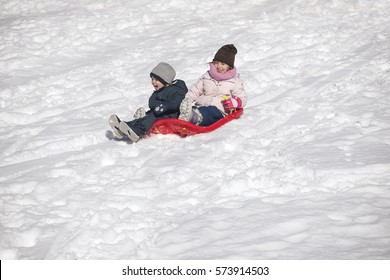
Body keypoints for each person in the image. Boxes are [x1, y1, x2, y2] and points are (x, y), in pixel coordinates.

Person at [109, 62, 187, 142]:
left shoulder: (176, 90)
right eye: (152, 79)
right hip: (158, 114)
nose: (153, 82)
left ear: (165, 81)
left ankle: (136, 131)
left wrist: (166, 106)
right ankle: (122, 128)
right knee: (146, 117)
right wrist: (157, 106)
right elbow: (151, 102)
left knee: (150, 117)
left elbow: (177, 102)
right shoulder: (158, 91)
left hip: (170, 116)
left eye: (156, 80)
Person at [178, 44, 247, 126]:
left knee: (210, 112)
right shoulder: (207, 76)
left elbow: (243, 98)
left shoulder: (234, 81)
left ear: (229, 67)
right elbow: (196, 89)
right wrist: (187, 99)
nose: (219, 66)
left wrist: (235, 102)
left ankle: (195, 118)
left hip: (220, 110)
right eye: (216, 63)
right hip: (201, 105)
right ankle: (186, 116)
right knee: (193, 109)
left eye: (223, 64)